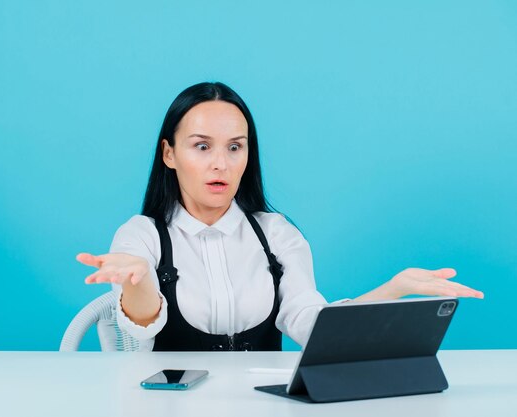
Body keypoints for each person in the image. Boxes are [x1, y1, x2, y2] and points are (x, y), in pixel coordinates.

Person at [76, 82, 483, 351]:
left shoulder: (277, 234)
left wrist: (392, 290)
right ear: (169, 154)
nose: (220, 163)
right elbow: (140, 324)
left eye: (235, 147)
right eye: (202, 147)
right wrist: (140, 279)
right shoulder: (141, 236)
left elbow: (311, 325)